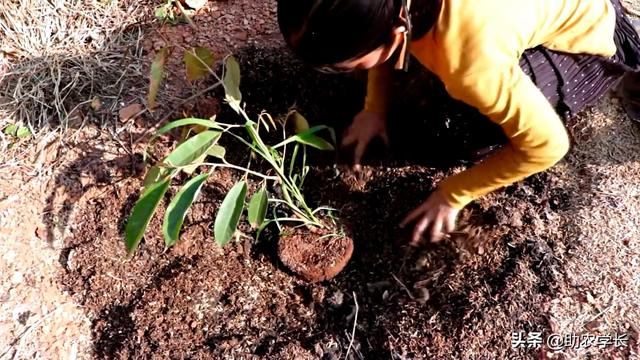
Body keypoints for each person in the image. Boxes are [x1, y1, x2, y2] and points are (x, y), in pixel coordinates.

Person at [276, 0, 640, 244]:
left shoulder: (470, 64)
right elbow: (386, 28)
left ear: (395, 35)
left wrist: (453, 194)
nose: (337, 73)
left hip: (594, 30)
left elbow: (547, 146)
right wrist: (374, 107)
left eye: (343, 65)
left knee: (453, 130)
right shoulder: (397, 13)